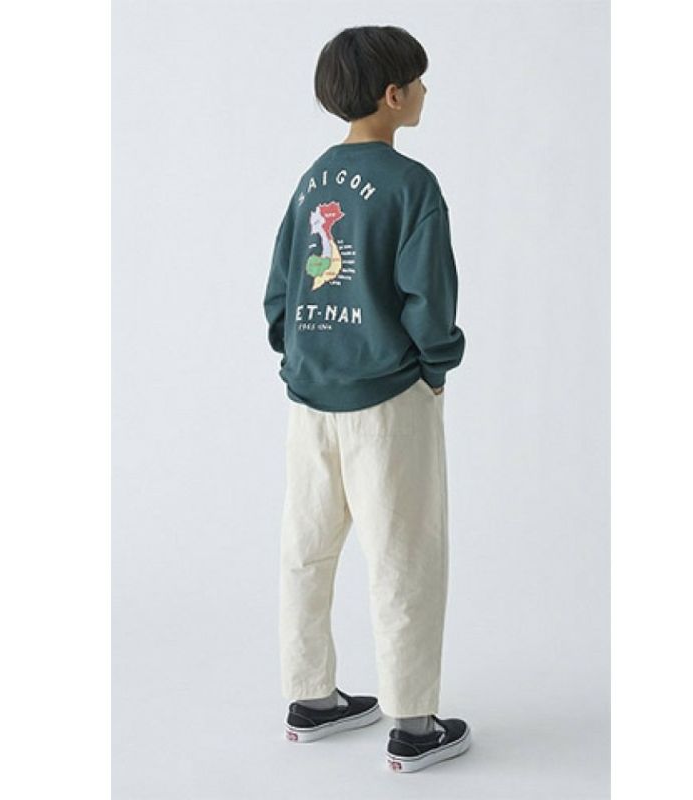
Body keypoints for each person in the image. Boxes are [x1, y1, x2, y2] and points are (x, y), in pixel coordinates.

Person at [262, 25, 471, 773]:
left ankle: (310, 698)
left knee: (306, 549)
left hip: (310, 399)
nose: (424, 91)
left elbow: (280, 291)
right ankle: (413, 726)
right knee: (403, 552)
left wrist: (300, 354)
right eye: (418, 81)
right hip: (387, 398)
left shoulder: (313, 178)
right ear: (393, 95)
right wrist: (436, 366)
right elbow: (429, 298)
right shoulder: (412, 186)